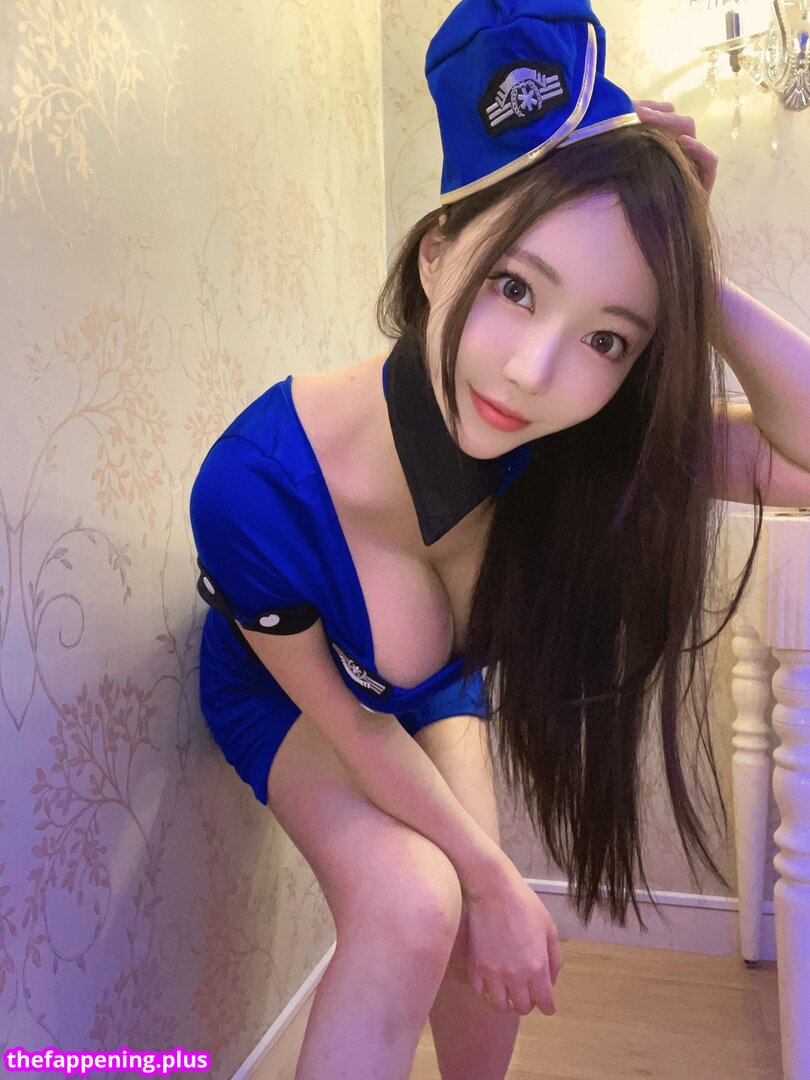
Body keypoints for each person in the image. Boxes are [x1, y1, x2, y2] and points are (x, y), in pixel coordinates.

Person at [189, 1, 810, 1077]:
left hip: (431, 692)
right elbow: (355, 727)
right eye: (514, 288)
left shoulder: (567, 445)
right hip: (289, 690)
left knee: (478, 933)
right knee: (416, 902)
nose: (531, 373)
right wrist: (489, 875)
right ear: (436, 257)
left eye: (608, 337)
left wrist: (686, 268)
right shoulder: (256, 487)